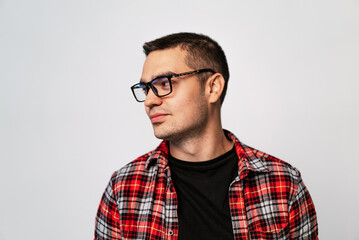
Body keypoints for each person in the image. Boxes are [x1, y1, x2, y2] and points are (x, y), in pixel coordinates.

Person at [94, 32, 318, 240]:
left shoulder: (284, 184)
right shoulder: (123, 189)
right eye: (146, 89)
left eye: (164, 83)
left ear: (213, 88)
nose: (150, 101)